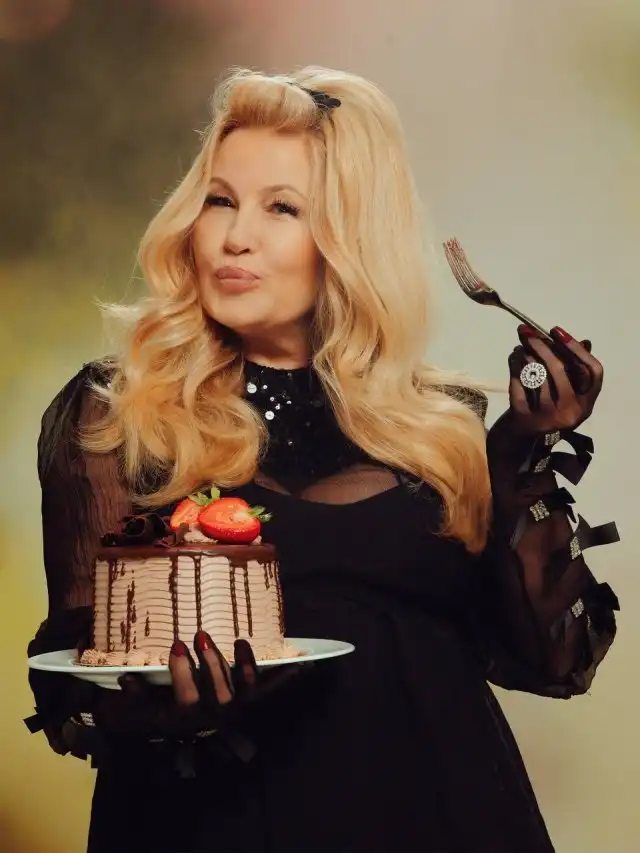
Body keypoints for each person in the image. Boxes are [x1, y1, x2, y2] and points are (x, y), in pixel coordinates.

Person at [25, 66, 620, 853]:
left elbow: (553, 660)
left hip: (447, 816)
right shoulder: (118, 413)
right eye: (220, 199)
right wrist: (163, 707)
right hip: (210, 829)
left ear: (349, 237)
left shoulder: (444, 426)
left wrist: (520, 452)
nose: (236, 236)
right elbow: (80, 669)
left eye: (282, 208)